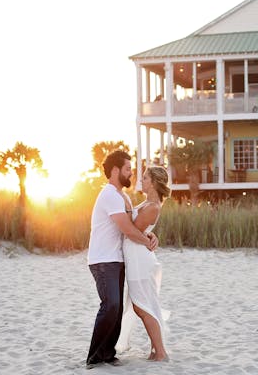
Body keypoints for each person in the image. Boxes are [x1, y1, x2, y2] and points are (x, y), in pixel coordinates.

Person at [86, 150, 159, 369]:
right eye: (128, 169)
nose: (131, 173)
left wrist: (149, 234)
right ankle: (94, 356)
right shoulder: (109, 194)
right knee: (111, 305)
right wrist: (146, 242)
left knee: (116, 308)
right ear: (116, 170)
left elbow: (135, 224)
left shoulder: (122, 196)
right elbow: (127, 229)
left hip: (116, 259)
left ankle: (108, 354)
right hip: (102, 259)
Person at [117, 166, 170, 362]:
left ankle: (161, 352)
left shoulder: (153, 206)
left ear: (155, 182)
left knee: (142, 306)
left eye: (146, 178)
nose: (142, 181)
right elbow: (141, 230)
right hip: (136, 257)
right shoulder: (147, 203)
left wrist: (147, 236)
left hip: (140, 260)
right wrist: (150, 235)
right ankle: (156, 350)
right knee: (143, 305)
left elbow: (132, 230)